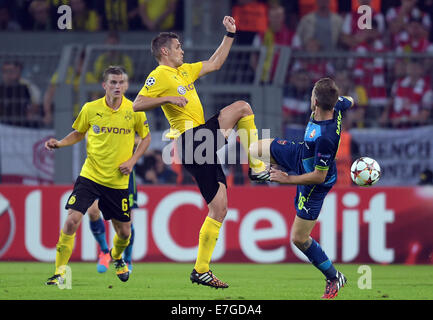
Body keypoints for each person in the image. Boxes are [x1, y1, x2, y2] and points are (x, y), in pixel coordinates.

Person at [132, 16, 268, 289]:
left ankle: (201, 269)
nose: (182, 51)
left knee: (219, 209)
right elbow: (137, 104)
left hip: (198, 147)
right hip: (190, 139)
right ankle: (257, 167)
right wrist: (167, 98)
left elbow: (216, 63)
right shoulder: (159, 74)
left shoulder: (185, 72)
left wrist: (230, 35)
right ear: (165, 51)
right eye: (178, 47)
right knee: (242, 107)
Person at [44, 66, 151, 285]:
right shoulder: (90, 108)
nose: (117, 86)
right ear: (105, 85)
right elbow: (79, 132)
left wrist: (131, 161)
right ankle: (60, 273)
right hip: (90, 176)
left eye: (121, 82)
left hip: (117, 182)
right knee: (72, 221)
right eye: (113, 82)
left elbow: (146, 138)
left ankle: (117, 257)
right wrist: (60, 143)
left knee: (124, 233)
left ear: (127, 85)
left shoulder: (135, 110)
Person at [249, 78, 353, 299]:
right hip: (299, 153)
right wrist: (350, 99)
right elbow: (350, 101)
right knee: (254, 149)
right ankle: (264, 172)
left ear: (314, 101)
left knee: (298, 238)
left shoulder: (326, 137)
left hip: (315, 184)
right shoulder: (337, 105)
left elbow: (318, 175)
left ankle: (334, 276)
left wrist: (286, 180)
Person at [87, 166, 139, 273]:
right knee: (92, 211)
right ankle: (105, 251)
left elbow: (140, 148)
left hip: (123, 172)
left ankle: (127, 259)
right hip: (100, 170)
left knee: (127, 219)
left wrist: (132, 161)